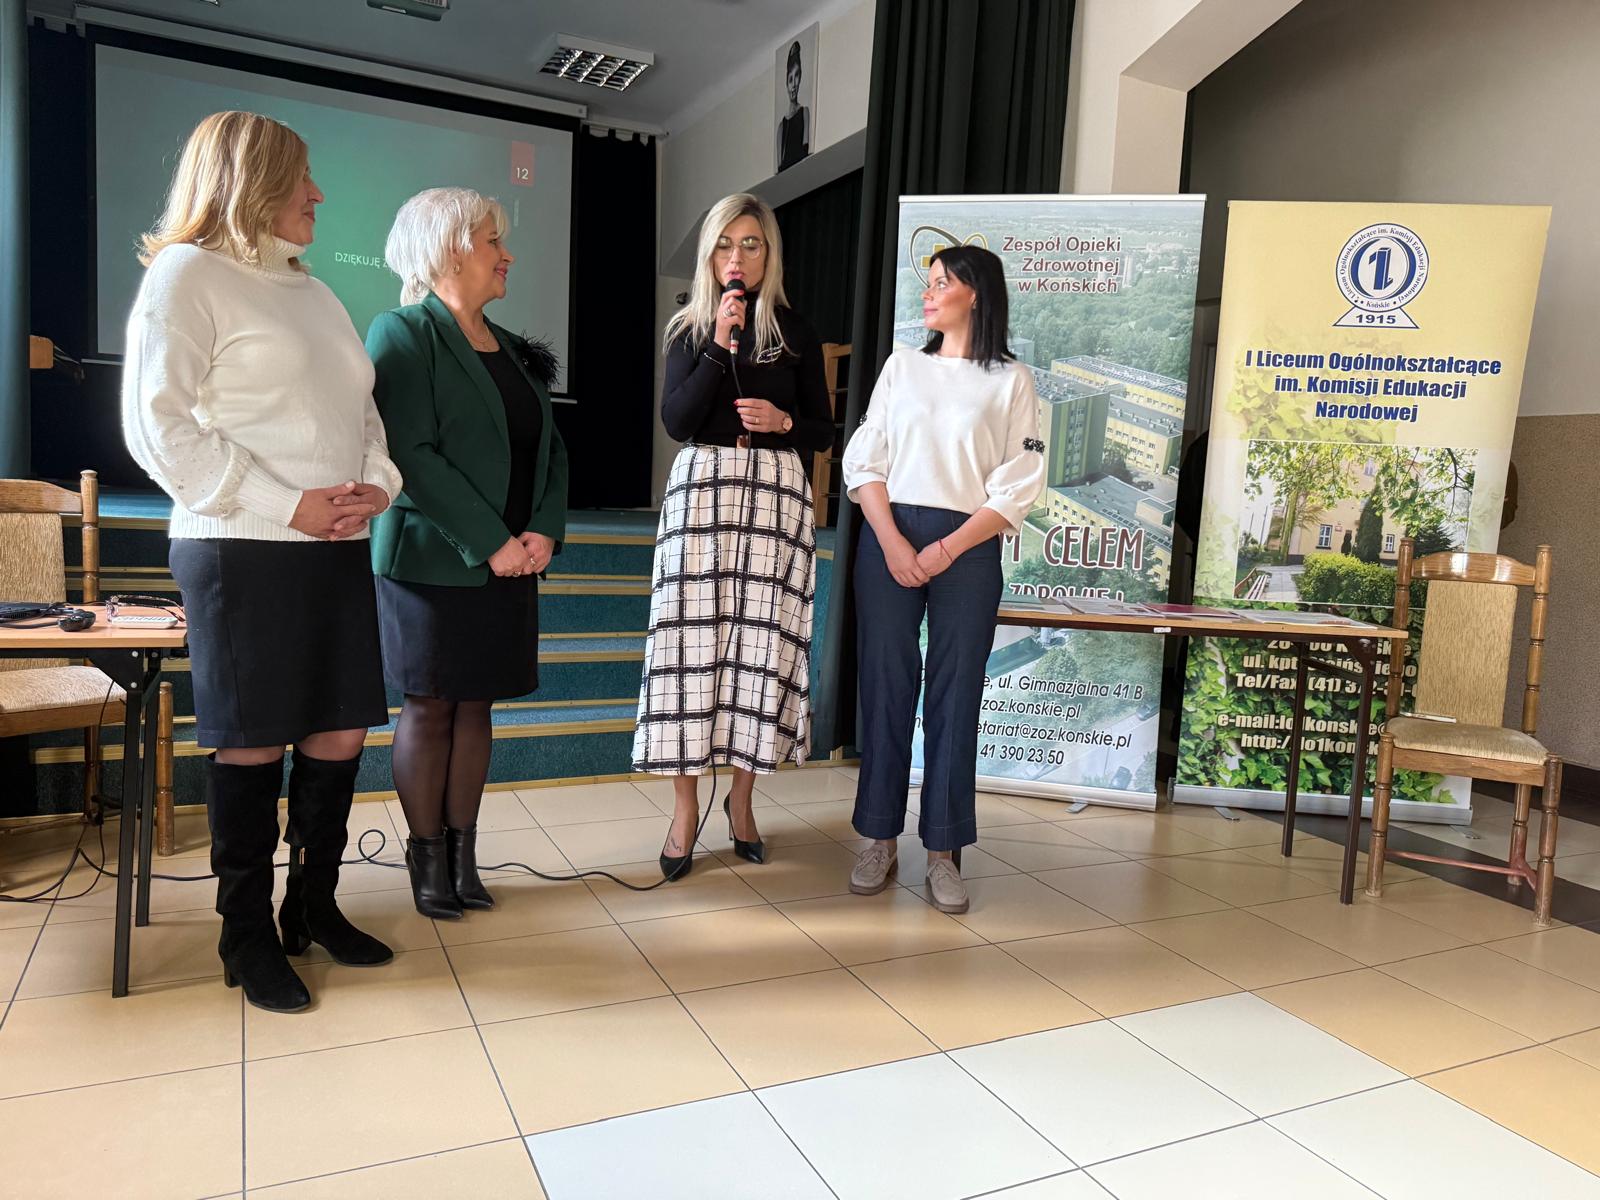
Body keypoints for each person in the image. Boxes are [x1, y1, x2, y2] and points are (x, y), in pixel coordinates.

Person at [122, 111, 400, 1014]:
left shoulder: (316, 292)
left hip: (337, 545)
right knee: (252, 738)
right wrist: (289, 505)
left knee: (340, 731)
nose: (318, 194)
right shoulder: (187, 273)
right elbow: (157, 427)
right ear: (251, 180)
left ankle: (310, 908)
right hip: (240, 546)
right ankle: (244, 934)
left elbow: (363, 418)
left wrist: (377, 486)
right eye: (301, 177)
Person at [367, 187, 568, 920]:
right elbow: (410, 454)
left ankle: (462, 857)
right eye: (491, 241)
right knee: (431, 706)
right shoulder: (402, 332)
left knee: (477, 704)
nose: (506, 254)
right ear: (449, 249)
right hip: (431, 561)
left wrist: (543, 529)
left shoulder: (511, 348)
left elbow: (550, 449)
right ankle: (426, 861)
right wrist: (492, 543)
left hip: (513, 557)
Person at [634, 192, 834, 879]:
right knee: (686, 650)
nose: (738, 257)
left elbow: (823, 430)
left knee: (762, 649)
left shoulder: (796, 331)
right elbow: (677, 421)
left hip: (776, 493)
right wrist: (720, 345)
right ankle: (684, 810)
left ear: (768, 253)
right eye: (726, 244)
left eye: (751, 244)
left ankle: (742, 802)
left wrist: (784, 424)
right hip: (703, 493)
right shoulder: (689, 329)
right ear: (709, 254)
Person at [841, 245, 1045, 914]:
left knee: (957, 694)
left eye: (941, 284)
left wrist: (947, 549)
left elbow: (1018, 485)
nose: (927, 295)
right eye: (926, 284)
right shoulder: (903, 366)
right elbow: (865, 461)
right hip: (889, 533)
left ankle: (944, 852)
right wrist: (894, 541)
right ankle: (877, 838)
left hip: (970, 543)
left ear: (975, 293)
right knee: (886, 685)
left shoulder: (1012, 380)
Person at [777, 40, 811, 171]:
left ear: (800, 78)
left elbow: (805, 150)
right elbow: (780, 168)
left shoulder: (804, 112)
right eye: (790, 79)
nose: (793, 85)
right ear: (786, 83)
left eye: (796, 76)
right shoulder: (782, 126)